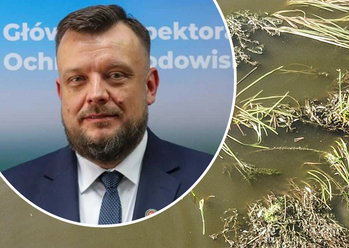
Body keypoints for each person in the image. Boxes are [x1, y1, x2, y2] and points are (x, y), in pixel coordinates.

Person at [1, 5, 212, 225]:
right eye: (77, 79)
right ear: (61, 93)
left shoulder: (209, 178)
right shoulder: (11, 190)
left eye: (115, 75)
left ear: (149, 86)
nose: (96, 94)